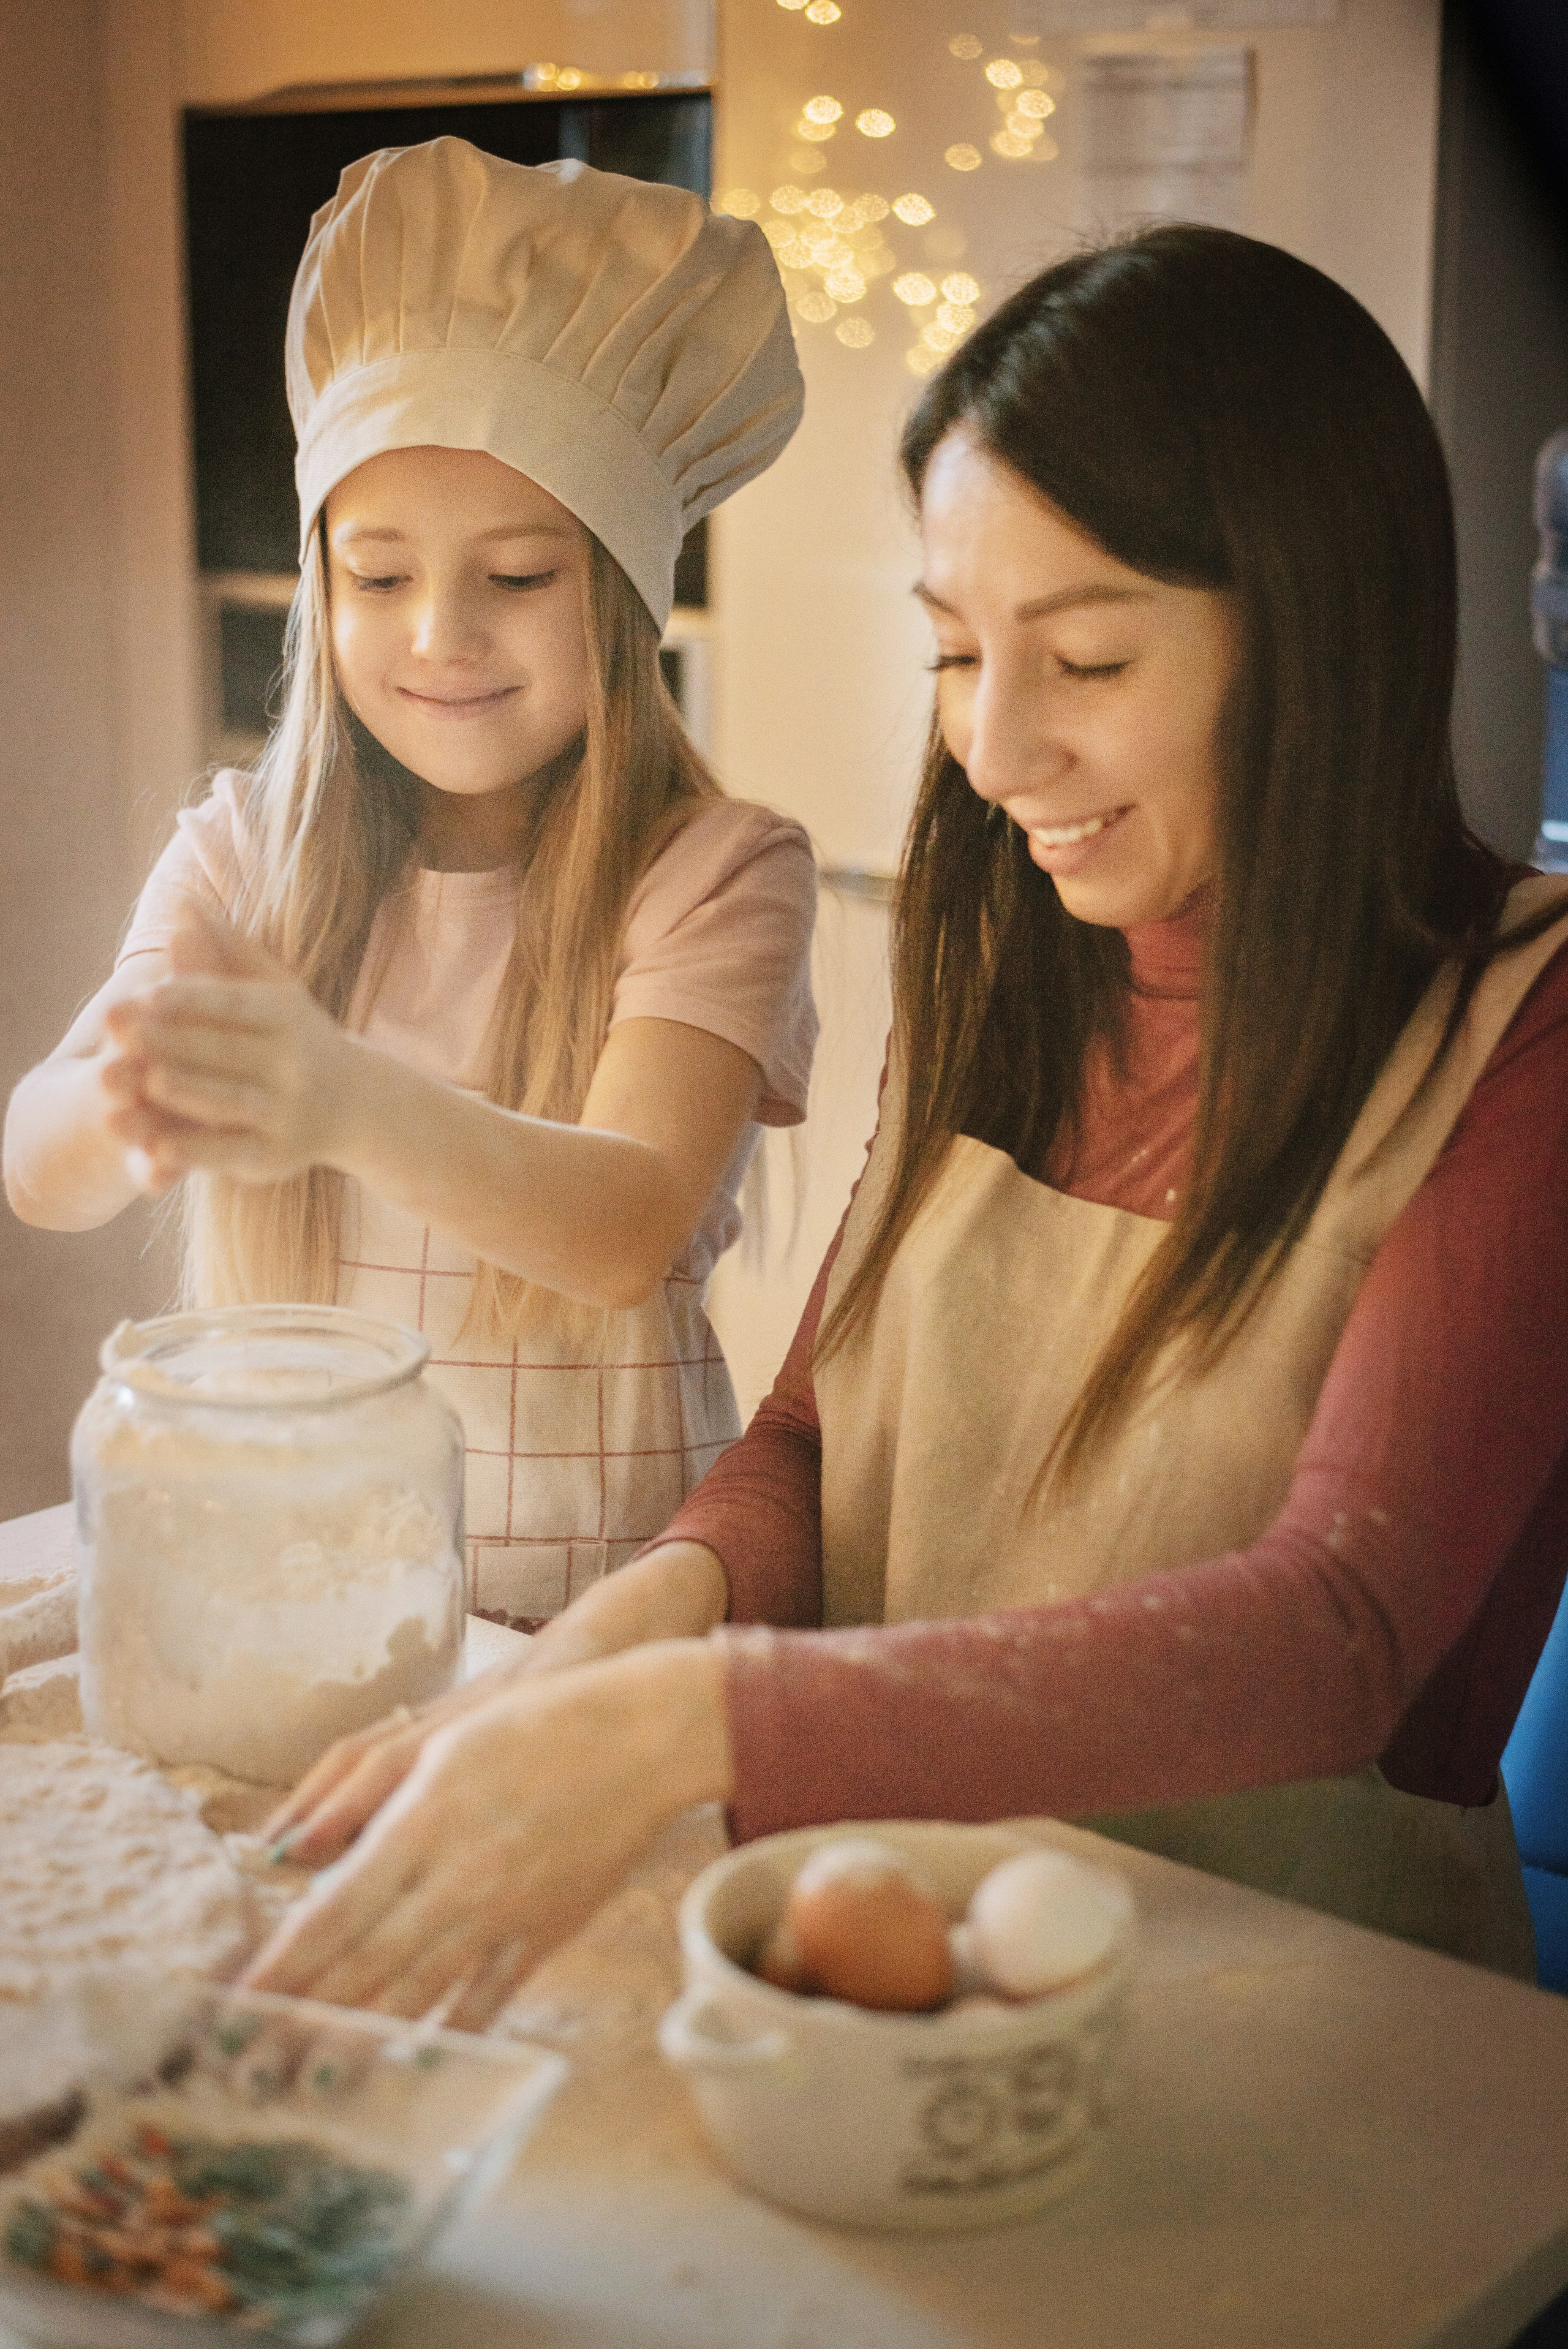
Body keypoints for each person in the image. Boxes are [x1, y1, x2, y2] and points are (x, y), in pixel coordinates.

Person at [244, 223, 1568, 2030]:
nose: (998, 749)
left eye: (1087, 660)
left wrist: (685, 1723)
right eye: (955, 651)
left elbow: (1336, 1634)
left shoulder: (1525, 1026)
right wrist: (604, 1649)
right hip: (899, 1983)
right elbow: (808, 1435)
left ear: (1332, 631)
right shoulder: (1024, 952)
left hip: (1314, 2040)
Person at [2, 140, 816, 1629]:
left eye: (515, 576)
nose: (439, 633)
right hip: (287, 1590)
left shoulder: (714, 871)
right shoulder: (247, 857)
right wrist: (122, 1102)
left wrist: (336, 1095)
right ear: (323, 593)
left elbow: (621, 1221)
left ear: (624, 600)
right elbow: (32, 1162)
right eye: (378, 577)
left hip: (592, 1616)